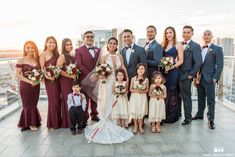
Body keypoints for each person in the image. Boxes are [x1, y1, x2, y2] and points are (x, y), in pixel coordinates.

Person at [83, 37, 133, 144]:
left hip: (118, 80)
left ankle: (118, 119)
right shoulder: (104, 57)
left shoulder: (119, 56)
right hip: (107, 82)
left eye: (114, 43)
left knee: (118, 100)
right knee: (107, 101)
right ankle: (107, 119)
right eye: (110, 43)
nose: (112, 45)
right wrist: (101, 76)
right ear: (108, 45)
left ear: (116, 45)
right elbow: (101, 70)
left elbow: (123, 67)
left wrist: (127, 78)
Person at [192, 30, 224, 129]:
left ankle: (211, 120)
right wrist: (195, 77)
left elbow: (220, 65)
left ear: (212, 36)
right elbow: (198, 64)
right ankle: (199, 114)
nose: (206, 36)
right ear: (202, 37)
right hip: (200, 78)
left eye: (208, 35)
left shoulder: (217, 49)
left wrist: (215, 78)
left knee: (211, 100)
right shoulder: (200, 49)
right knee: (200, 98)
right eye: (204, 35)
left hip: (210, 79)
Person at [75, 31, 101, 127]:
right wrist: (90, 75)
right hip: (84, 78)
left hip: (96, 78)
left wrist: (97, 74)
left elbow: (100, 64)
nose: (89, 38)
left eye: (91, 37)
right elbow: (79, 64)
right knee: (84, 99)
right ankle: (84, 118)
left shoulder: (99, 50)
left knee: (94, 98)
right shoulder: (79, 50)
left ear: (93, 38)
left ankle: (94, 114)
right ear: (84, 38)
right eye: (87, 37)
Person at [178, 25, 202, 125]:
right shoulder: (179, 44)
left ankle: (188, 118)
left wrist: (191, 75)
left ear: (192, 33)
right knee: (177, 95)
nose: (186, 34)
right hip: (177, 74)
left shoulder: (195, 46)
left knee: (186, 97)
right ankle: (177, 114)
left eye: (188, 32)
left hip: (186, 75)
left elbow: (198, 63)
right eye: (184, 32)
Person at [16, 41, 42, 131]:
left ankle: (35, 121)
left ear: (35, 49)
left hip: (36, 86)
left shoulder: (36, 59)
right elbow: (18, 74)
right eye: (28, 47)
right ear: (25, 49)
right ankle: (30, 124)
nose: (30, 49)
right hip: (26, 86)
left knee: (34, 104)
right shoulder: (21, 60)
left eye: (32, 47)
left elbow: (40, 72)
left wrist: (39, 79)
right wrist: (30, 81)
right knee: (27, 104)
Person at [161, 26, 184, 123]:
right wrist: (163, 66)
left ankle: (172, 116)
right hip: (164, 71)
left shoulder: (178, 45)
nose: (168, 35)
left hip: (173, 71)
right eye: (167, 33)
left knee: (172, 92)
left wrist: (172, 66)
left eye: (170, 32)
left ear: (174, 33)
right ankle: (163, 115)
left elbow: (181, 60)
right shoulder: (163, 44)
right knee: (164, 92)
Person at [39, 36, 61, 129]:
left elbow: (59, 66)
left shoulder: (56, 54)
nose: (52, 44)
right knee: (53, 101)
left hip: (57, 79)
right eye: (50, 42)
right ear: (46, 43)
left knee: (58, 100)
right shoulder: (43, 54)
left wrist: (55, 75)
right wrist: (48, 77)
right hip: (50, 81)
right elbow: (42, 69)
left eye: (54, 43)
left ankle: (57, 121)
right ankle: (54, 123)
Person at [120, 29, 147, 98]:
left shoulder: (140, 49)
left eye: (128, 36)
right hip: (124, 80)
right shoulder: (121, 51)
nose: (126, 38)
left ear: (132, 37)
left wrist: (142, 80)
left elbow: (144, 66)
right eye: (124, 37)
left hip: (137, 81)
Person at [57, 38, 76, 128]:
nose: (69, 46)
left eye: (70, 44)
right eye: (67, 45)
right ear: (64, 46)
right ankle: (68, 122)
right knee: (68, 100)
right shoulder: (62, 56)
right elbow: (58, 70)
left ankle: (72, 120)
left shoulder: (71, 55)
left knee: (72, 100)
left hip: (72, 80)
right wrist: (70, 76)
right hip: (65, 81)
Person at [129, 63, 149, 134]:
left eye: (142, 69)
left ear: (144, 70)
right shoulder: (133, 79)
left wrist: (142, 91)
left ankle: (140, 126)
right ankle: (136, 126)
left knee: (141, 111)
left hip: (142, 98)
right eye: (139, 69)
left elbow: (147, 90)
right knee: (135, 111)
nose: (140, 70)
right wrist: (137, 90)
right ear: (136, 70)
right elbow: (130, 89)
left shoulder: (146, 79)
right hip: (134, 97)